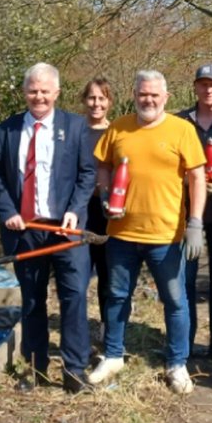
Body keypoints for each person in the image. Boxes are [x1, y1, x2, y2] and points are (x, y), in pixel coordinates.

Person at [89, 71, 207, 394]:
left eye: (155, 95)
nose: (148, 100)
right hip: (122, 233)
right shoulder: (118, 128)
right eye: (143, 94)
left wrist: (195, 222)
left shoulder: (182, 130)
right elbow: (103, 165)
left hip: (166, 236)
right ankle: (113, 354)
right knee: (116, 295)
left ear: (166, 97)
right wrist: (103, 193)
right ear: (134, 94)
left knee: (175, 300)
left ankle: (177, 362)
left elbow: (197, 177)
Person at [0, 63, 96, 394]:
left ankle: (75, 370)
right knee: (32, 299)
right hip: (25, 228)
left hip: (67, 230)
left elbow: (87, 174)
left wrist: (76, 211)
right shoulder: (6, 131)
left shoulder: (75, 127)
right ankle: (36, 369)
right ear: (25, 93)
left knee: (74, 296)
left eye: (45, 91)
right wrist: (7, 211)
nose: (39, 97)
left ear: (56, 93)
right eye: (33, 90)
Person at [177, 63, 212, 365]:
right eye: (202, 84)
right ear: (195, 87)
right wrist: (191, 180)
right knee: (184, 281)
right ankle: (183, 344)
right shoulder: (179, 122)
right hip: (187, 216)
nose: (208, 90)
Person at [80, 78, 114, 354]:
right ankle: (77, 327)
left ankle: (107, 327)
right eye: (92, 98)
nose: (96, 103)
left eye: (101, 98)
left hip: (107, 211)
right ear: (84, 101)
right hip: (79, 210)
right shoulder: (74, 131)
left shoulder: (116, 132)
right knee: (79, 271)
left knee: (107, 271)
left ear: (109, 102)